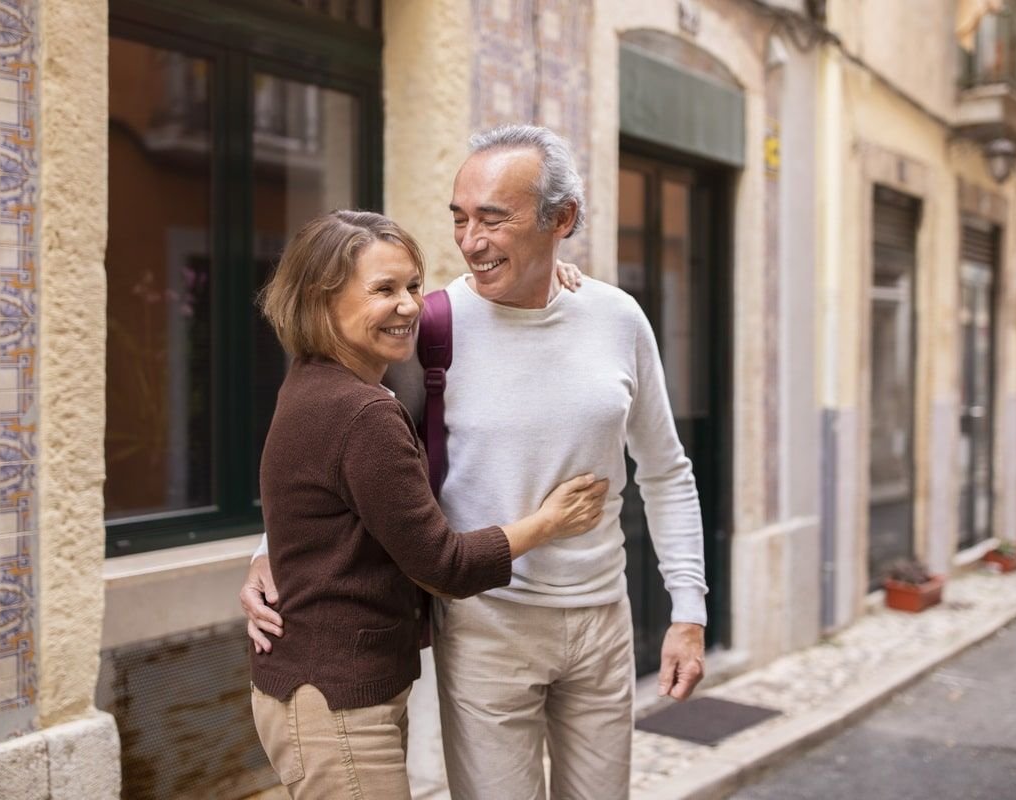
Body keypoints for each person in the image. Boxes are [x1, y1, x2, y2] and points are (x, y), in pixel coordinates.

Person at [242, 126, 708, 799]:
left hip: (604, 618)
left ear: (562, 220)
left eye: (494, 218)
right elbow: (329, 454)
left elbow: (665, 470)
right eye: (460, 218)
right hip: (486, 623)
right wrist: (268, 550)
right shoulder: (423, 327)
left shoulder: (616, 318)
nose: (470, 240)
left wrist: (687, 611)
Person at [249, 209, 609, 799]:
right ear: (321, 301)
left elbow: (318, 515)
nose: (410, 306)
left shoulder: (316, 381)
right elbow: (442, 566)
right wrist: (548, 523)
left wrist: (544, 270)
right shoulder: (362, 411)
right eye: (384, 290)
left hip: (325, 688)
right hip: (335, 700)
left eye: (413, 285)